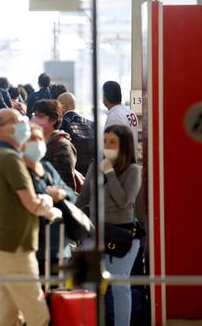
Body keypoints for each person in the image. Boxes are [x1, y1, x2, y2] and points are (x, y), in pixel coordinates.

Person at [0, 109, 60, 326]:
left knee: (10, 315)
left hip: (5, 244)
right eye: (17, 121)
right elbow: (31, 202)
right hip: (16, 247)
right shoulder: (10, 159)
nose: (23, 123)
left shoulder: (0, 156)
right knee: (38, 314)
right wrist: (49, 204)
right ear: (1, 129)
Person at [76, 125, 142, 326]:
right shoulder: (94, 167)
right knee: (87, 285)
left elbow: (124, 200)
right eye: (105, 141)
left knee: (120, 286)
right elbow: (84, 197)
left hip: (121, 236)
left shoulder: (133, 170)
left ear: (124, 145)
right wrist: (70, 215)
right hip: (94, 233)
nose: (107, 146)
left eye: (112, 142)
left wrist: (110, 173)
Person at [22, 124, 76, 275]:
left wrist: (61, 194)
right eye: (31, 139)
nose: (36, 143)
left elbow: (72, 195)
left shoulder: (47, 168)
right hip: (34, 247)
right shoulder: (18, 169)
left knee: (57, 295)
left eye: (39, 139)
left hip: (59, 246)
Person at [33, 99, 78, 192]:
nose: (35, 120)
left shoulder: (62, 145)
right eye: (34, 115)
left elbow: (67, 185)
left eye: (40, 116)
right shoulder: (38, 142)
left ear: (53, 120)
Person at [58, 92, 96, 175]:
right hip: (90, 169)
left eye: (57, 105)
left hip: (73, 169)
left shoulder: (62, 124)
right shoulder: (90, 123)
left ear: (63, 106)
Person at [103, 81, 140, 152]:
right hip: (130, 158)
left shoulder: (114, 117)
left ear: (105, 98)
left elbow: (111, 148)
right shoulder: (131, 112)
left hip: (121, 161)